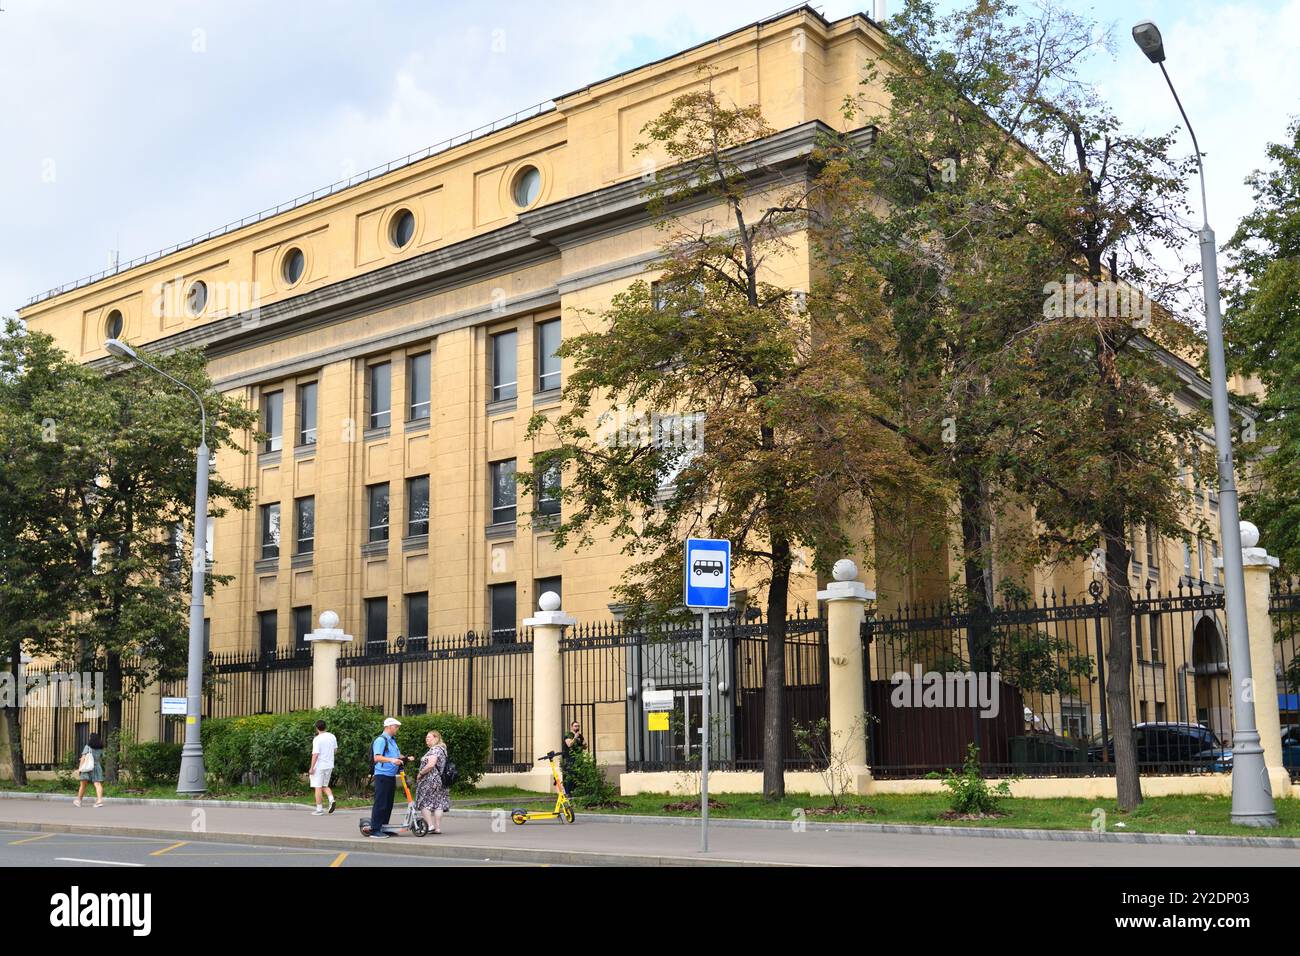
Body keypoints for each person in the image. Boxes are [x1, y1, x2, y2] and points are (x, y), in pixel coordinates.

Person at [367, 717, 404, 838]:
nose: (397, 729)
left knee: (388, 804)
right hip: (382, 775)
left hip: (390, 775)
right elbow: (377, 758)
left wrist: (404, 758)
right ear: (388, 727)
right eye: (396, 727)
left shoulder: (392, 740)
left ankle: (384, 827)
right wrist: (392, 760)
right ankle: (375, 829)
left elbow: (396, 755)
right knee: (381, 803)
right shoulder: (381, 740)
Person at [415, 729, 451, 835]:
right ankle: (437, 828)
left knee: (424, 802)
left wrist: (421, 773)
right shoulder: (443, 749)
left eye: (429, 737)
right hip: (439, 780)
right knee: (438, 803)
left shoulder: (435, 750)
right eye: (426, 738)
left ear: (436, 738)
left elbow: (431, 764)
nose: (426, 739)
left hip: (429, 780)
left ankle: (430, 826)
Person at [309, 719, 337, 815]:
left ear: (317, 728)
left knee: (318, 787)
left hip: (319, 766)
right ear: (325, 726)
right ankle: (331, 799)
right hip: (329, 764)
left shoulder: (317, 739)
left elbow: (315, 754)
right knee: (324, 785)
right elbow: (335, 750)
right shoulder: (332, 736)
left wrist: (311, 768)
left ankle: (319, 809)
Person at [73, 733, 105, 808]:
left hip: (87, 767)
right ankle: (99, 801)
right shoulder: (101, 748)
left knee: (83, 785)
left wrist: (79, 769)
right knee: (97, 784)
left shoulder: (88, 747)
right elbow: (102, 757)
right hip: (97, 767)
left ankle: (79, 801)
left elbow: (83, 758)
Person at [560, 720, 586, 797]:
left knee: (577, 775)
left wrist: (584, 744)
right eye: (575, 726)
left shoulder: (580, 736)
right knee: (570, 775)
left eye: (578, 726)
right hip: (569, 758)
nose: (577, 727)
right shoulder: (568, 735)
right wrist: (575, 737)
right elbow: (569, 744)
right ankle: (567, 792)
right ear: (572, 727)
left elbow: (584, 746)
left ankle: (575, 792)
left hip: (578, 758)